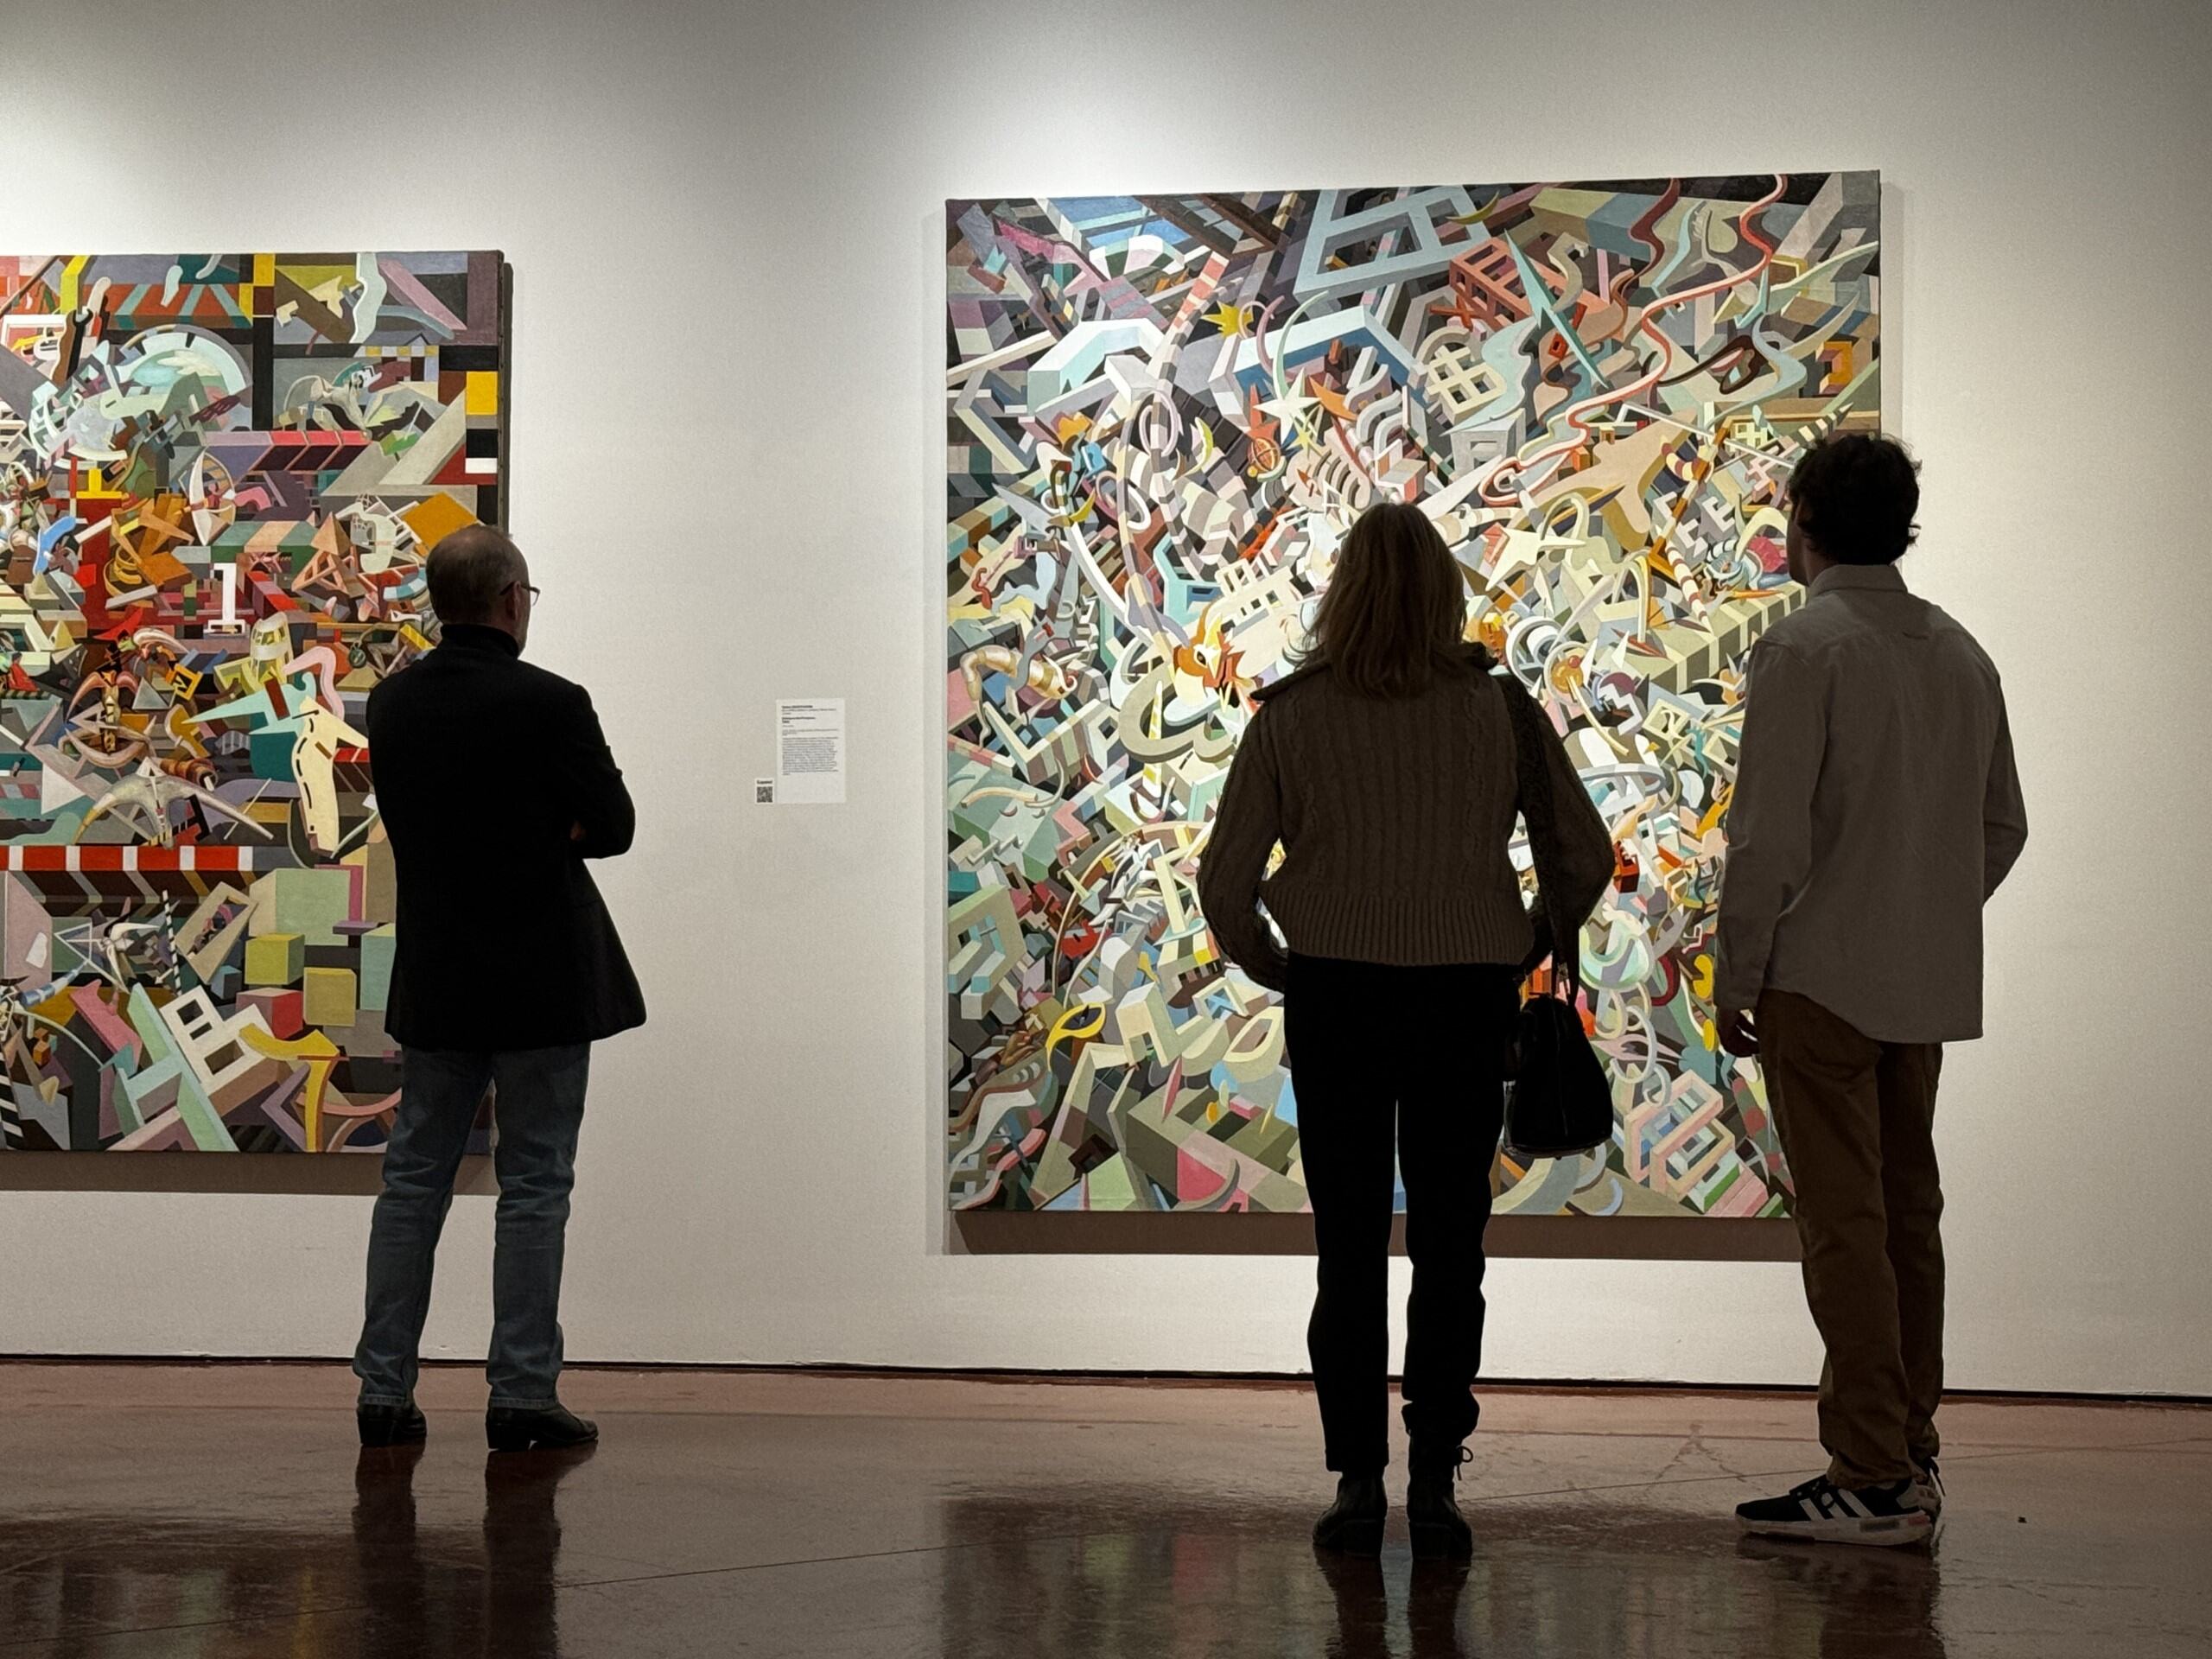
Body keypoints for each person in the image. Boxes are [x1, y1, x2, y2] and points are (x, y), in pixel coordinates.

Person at [1198, 501, 1612, 1560]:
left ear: (1342, 593)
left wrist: (1271, 960)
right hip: (1462, 997)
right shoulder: (1497, 709)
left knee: (1346, 1247)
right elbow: (1582, 855)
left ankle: (1355, 1480)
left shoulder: (1291, 715)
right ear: (1443, 594)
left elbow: (1224, 879)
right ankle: (1434, 1477)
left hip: (1334, 996)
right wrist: (1522, 939)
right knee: (1449, 1243)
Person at [1717, 433, 2027, 1546]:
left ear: (1801, 519)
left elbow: (1765, 840)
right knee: (1906, 1218)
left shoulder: (1801, 650)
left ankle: (1871, 1472)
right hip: (1919, 983)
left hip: (1819, 981)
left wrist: (1737, 970)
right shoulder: (1961, 654)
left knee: (1845, 1225)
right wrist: (1921, 907)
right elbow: (2002, 826)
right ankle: (1908, 1448)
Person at [353, 524, 646, 1452]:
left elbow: (425, 823)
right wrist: (549, 827)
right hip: (541, 980)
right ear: (513, 599)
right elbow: (612, 826)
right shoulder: (552, 703)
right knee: (534, 1186)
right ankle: (520, 1394)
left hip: (440, 976)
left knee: (412, 1184)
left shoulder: (392, 705)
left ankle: (383, 1393)